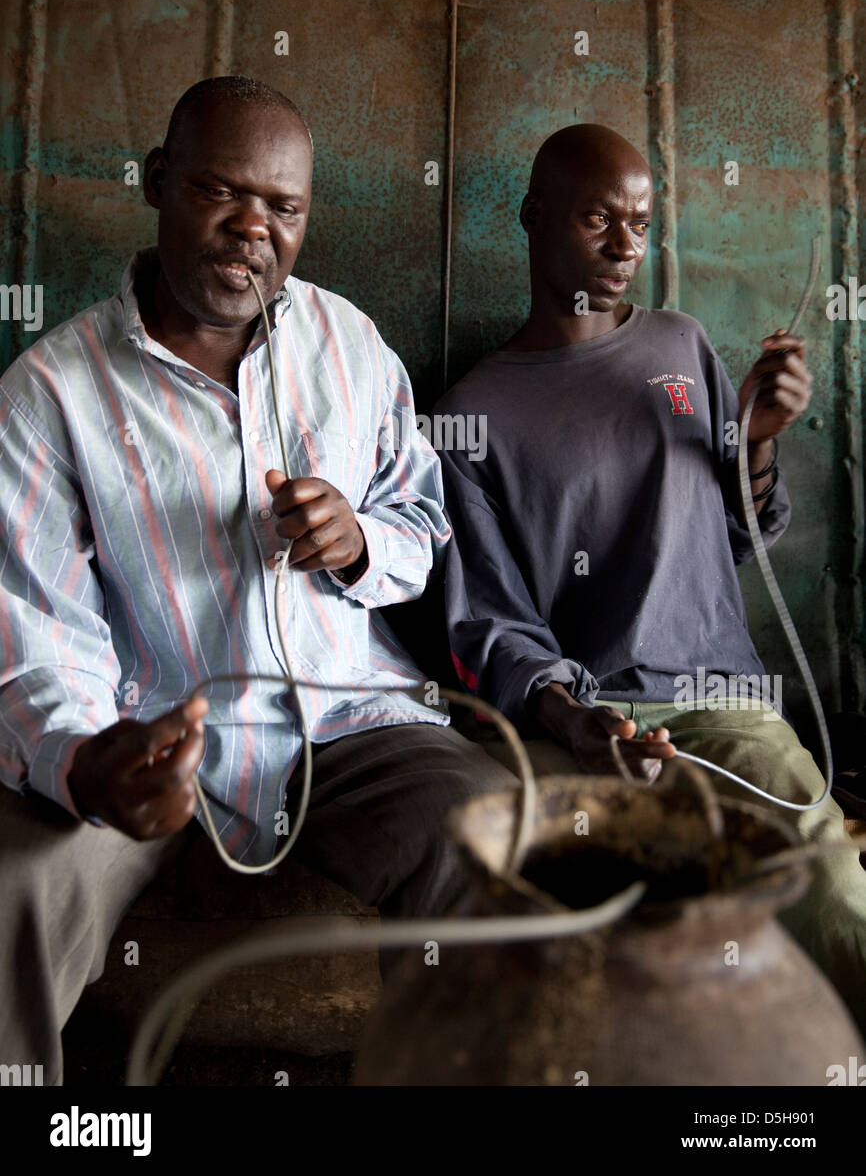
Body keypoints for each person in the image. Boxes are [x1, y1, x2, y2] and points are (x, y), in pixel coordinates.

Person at [0, 75, 516, 1084]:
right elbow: (34, 627)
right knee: (9, 894)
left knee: (496, 839)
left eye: (282, 208)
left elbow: (421, 521)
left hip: (348, 721)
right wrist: (89, 759)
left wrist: (356, 538)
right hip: (146, 737)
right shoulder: (49, 394)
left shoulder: (347, 344)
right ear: (156, 184)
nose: (252, 230)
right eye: (219, 192)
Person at [436, 122, 866, 1031]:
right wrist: (572, 715)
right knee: (557, 931)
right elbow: (489, 624)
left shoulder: (680, 348)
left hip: (719, 700)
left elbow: (733, 536)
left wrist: (755, 440)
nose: (627, 245)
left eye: (640, 222)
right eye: (599, 218)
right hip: (582, 723)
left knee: (828, 885)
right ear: (533, 216)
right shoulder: (472, 414)